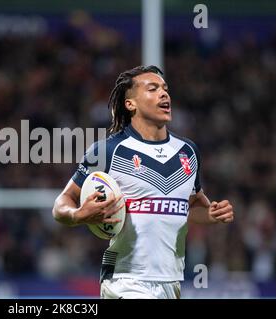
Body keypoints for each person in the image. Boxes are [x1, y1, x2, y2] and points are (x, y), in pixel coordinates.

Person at [52, 65, 234, 299]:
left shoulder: (187, 152)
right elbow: (61, 204)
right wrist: (78, 214)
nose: (164, 93)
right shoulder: (108, 150)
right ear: (131, 104)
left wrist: (210, 214)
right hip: (125, 279)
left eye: (165, 89)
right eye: (153, 88)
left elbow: (191, 204)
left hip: (171, 281)